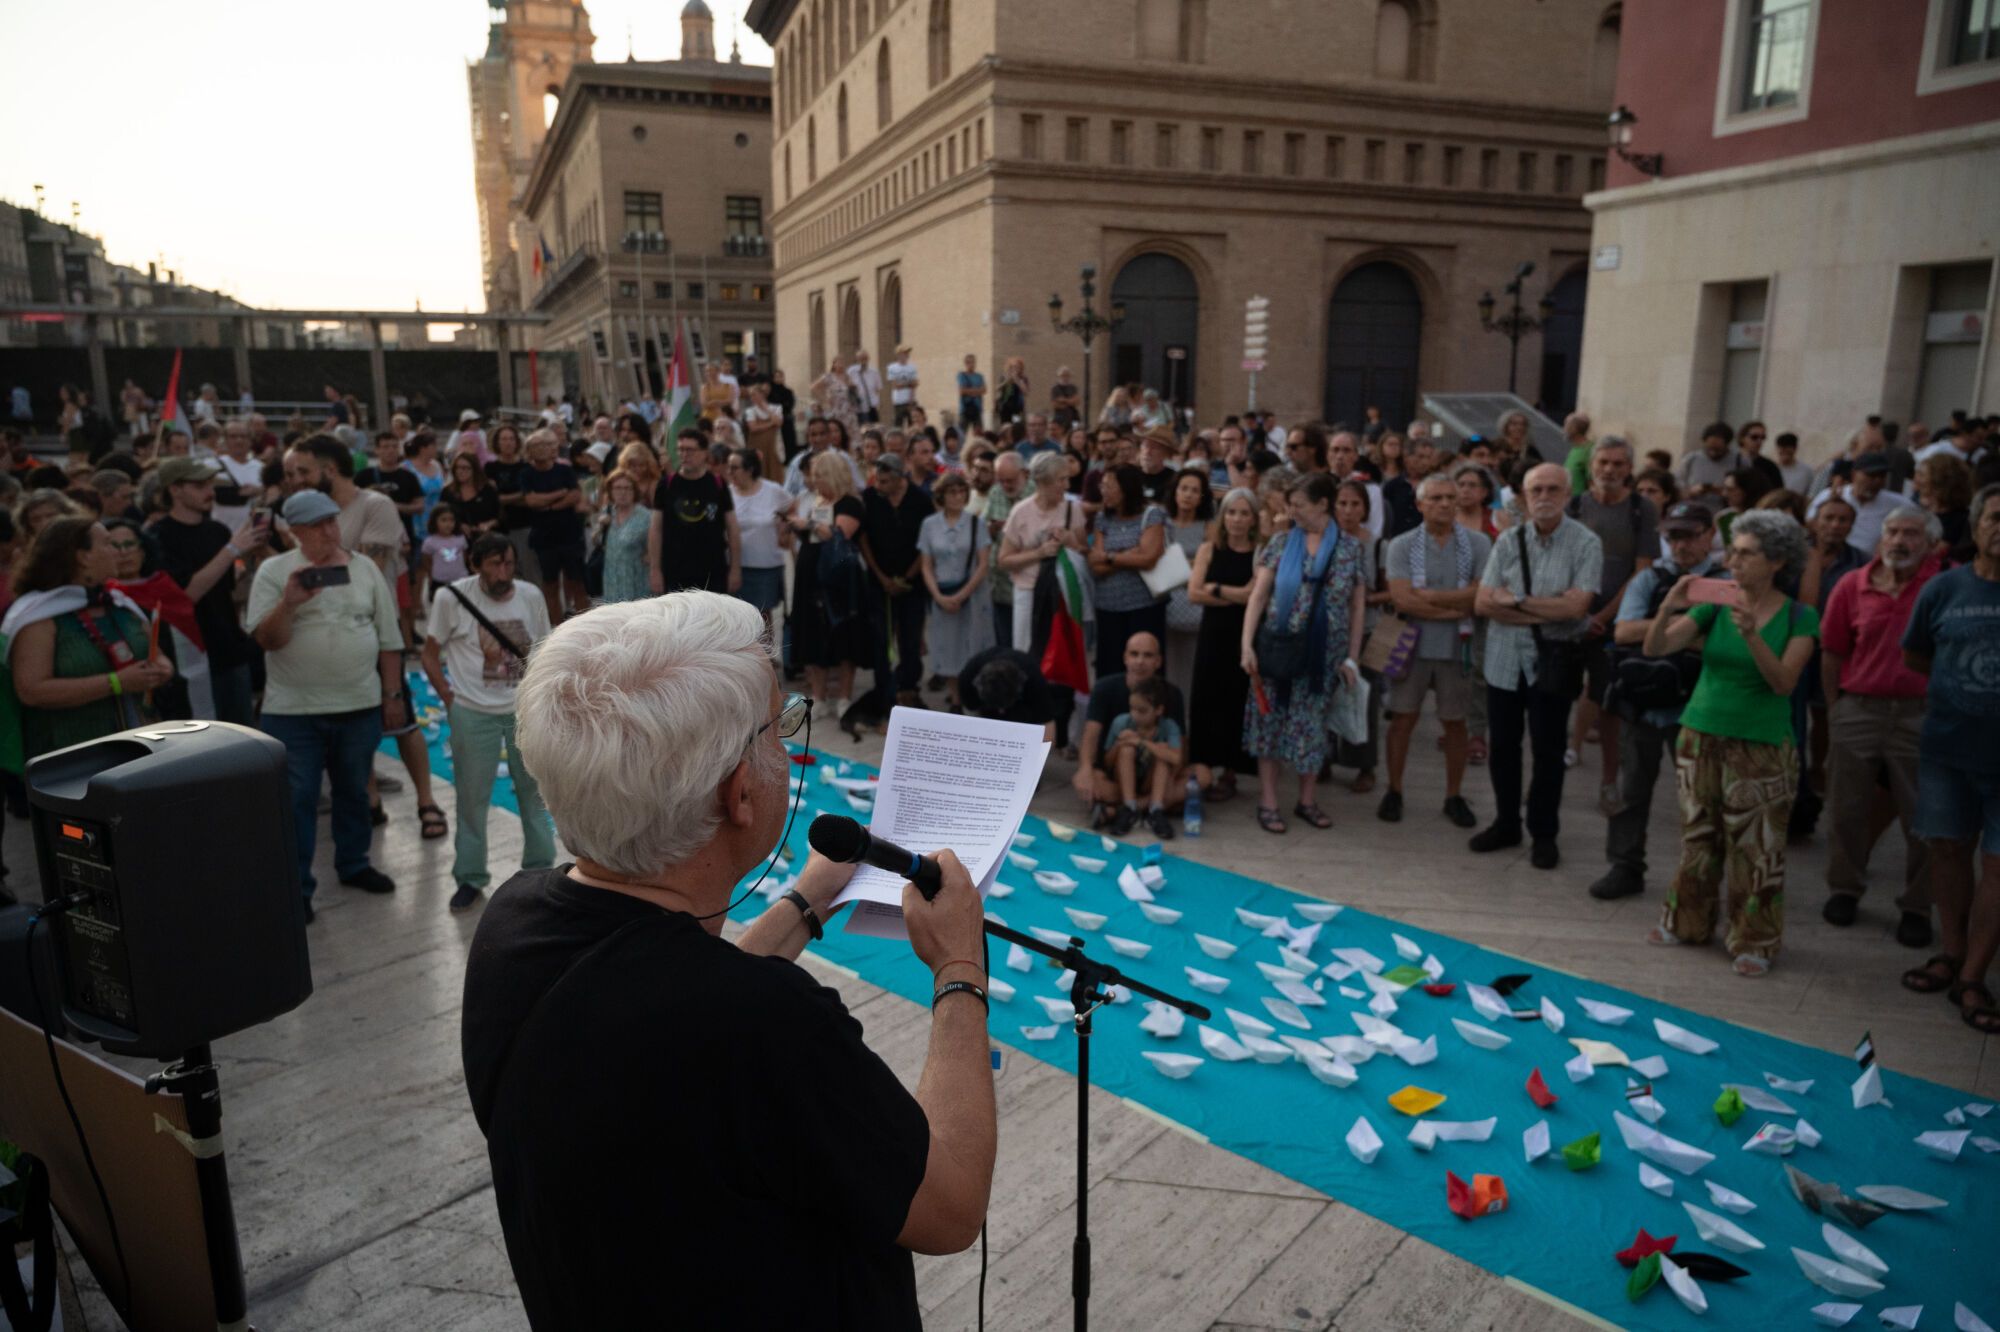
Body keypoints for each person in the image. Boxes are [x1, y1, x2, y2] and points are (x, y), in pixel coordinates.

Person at [462, 593, 995, 1328]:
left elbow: (672, 991)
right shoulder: (764, 1021)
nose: (787, 744)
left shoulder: (513, 921)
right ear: (741, 792)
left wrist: (807, 900)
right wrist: (958, 969)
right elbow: (952, 1205)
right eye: (780, 729)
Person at [1641, 509, 1818, 977]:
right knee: (1698, 836)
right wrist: (1668, 608)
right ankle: (1687, 921)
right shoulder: (1715, 603)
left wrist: (1752, 636)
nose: (1733, 562)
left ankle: (1754, 939)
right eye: (1732, 552)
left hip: (1761, 743)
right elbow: (1656, 649)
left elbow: (1783, 683)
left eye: (1745, 554)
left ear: (1777, 560)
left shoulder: (1801, 616)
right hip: (1699, 734)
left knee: (1757, 848)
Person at [250, 490, 405, 920]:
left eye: (332, 521)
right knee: (297, 799)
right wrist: (290, 603)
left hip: (358, 705)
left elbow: (390, 640)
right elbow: (266, 640)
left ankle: (354, 864)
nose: (329, 531)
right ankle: (298, 887)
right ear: (294, 531)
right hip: (292, 711)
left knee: (354, 790)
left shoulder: (365, 569)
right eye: (318, 525)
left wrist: (392, 696)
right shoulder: (274, 572)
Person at [1898, 483, 2000, 1031]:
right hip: (1946, 750)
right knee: (1946, 853)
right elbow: (1917, 657)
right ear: (1978, 526)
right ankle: (1953, 952)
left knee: (1998, 870)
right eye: (1995, 518)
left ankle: (1975, 977)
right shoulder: (1943, 590)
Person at [1589, 501, 1727, 901]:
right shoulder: (1651, 579)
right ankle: (1625, 865)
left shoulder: (1726, 583)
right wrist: (1689, 622)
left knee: (1701, 798)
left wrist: (1671, 629)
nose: (1681, 545)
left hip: (1702, 706)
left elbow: (1728, 640)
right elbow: (1625, 631)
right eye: (1674, 536)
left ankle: (1701, 877)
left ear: (1709, 536)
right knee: (1632, 790)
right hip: (1646, 702)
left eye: (1690, 535)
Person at [1470, 463, 1603, 869]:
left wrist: (1517, 602)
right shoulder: (1508, 541)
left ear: (1567, 495)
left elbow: (1578, 607)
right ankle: (1507, 822)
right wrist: (1550, 607)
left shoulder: (1585, 543)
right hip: (1504, 661)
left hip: (1554, 664)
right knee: (1503, 749)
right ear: (1524, 497)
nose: (1544, 497)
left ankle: (1544, 833)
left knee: (1549, 751)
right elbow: (1481, 603)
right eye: (1536, 490)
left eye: (1553, 489)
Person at [1819, 505, 1942, 945]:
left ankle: (1916, 906)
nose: (1899, 541)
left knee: (1924, 817)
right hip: (1859, 709)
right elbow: (1832, 652)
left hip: (1920, 713)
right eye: (1892, 532)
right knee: (1846, 809)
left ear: (1929, 543)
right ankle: (1844, 889)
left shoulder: (1942, 586)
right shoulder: (1852, 585)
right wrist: (1836, 710)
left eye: (1911, 533)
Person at [420, 534, 555, 914]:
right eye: (495, 565)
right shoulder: (452, 598)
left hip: (522, 710)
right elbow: (430, 654)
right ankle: (470, 877)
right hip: (472, 711)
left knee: (535, 794)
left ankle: (540, 872)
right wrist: (450, 699)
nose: (503, 573)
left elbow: (546, 651)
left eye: (509, 564)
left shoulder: (529, 595)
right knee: (471, 797)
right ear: (476, 564)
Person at [1239, 474, 1366, 835]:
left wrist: (1352, 656)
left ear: (1323, 504)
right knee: (1271, 723)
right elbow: (1259, 596)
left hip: (1323, 657)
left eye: (1298, 504)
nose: (1290, 511)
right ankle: (1268, 801)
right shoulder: (1280, 543)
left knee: (1312, 727)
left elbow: (1357, 608)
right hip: (1277, 650)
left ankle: (1307, 800)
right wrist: (1246, 644)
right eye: (1290, 503)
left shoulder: (1350, 549)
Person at [4, 518, 172, 771]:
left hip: (139, 745)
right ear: (82, 556)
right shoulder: (39, 617)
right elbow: (31, 690)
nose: (117, 551)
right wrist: (116, 683)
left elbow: (157, 655)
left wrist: (162, 669)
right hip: (73, 757)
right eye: (108, 544)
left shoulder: (117, 602)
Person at [1381, 474, 1491, 828]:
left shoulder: (1477, 543)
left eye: (1450, 498)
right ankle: (1394, 790)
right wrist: (1453, 609)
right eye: (1436, 498)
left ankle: (1453, 795)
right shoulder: (1400, 544)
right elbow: (1401, 598)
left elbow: (1481, 593)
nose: (1445, 504)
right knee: (1402, 719)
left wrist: (1429, 598)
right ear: (1420, 504)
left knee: (1455, 723)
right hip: (1411, 644)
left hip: (1457, 647)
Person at [1567, 436, 1658, 818]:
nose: (1610, 470)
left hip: (1615, 622)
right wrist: (1576, 612)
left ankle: (1608, 784)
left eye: (1618, 464)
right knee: (1554, 700)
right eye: (1603, 462)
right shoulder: (1574, 506)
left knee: (1609, 707)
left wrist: (1602, 618)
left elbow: (1642, 572)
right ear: (1591, 466)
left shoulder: (1642, 509)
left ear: (1629, 469)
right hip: (1570, 617)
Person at [154, 456, 265, 725]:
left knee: (242, 736)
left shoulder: (216, 530)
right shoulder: (158, 536)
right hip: (191, 658)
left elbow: (227, 589)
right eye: (200, 485)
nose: (210, 492)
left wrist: (252, 556)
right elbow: (186, 595)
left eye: (210, 484)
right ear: (175, 489)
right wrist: (232, 550)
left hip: (230, 650)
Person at [1186, 487, 1259, 801]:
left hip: (1243, 635)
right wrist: (1230, 593)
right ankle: (1203, 767)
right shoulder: (1208, 549)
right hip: (1212, 634)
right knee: (1205, 697)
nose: (1237, 519)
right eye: (1231, 512)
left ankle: (1231, 770)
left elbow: (1252, 596)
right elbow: (1193, 593)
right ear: (1222, 515)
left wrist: (1214, 589)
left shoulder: (1259, 551)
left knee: (1237, 700)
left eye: (1244, 513)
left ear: (1253, 518)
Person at [851, 454, 933, 728]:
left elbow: (928, 542)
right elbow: (863, 538)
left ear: (900, 478)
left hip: (912, 582)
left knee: (910, 638)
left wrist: (907, 577)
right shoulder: (871, 498)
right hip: (880, 582)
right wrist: (881, 576)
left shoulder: (921, 500)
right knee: (881, 639)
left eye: (885, 480)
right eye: (877, 479)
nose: (879, 485)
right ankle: (885, 693)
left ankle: (909, 689)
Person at [1072, 632, 1187, 823]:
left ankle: (1121, 810)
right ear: (1125, 658)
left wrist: (1169, 778)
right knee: (1088, 779)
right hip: (1118, 776)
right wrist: (1085, 768)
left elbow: (1181, 749)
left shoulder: (1172, 693)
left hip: (1157, 774)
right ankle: (1152, 806)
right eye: (1134, 654)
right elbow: (1091, 734)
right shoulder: (1104, 688)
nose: (1140, 661)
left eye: (1148, 655)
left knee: (1202, 776)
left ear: (1158, 661)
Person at [787, 450, 869, 720]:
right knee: (812, 634)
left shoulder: (850, 503)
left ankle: (844, 696)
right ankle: (819, 697)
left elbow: (839, 534)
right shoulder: (817, 500)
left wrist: (806, 523)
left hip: (839, 579)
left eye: (820, 476)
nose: (814, 481)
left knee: (843, 635)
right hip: (810, 575)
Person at [916, 471, 994, 711]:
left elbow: (983, 563)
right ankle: (955, 698)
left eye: (962, 492)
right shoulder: (929, 525)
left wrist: (963, 594)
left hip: (971, 595)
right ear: (942, 495)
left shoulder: (975, 523)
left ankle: (975, 695)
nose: (958, 497)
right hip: (942, 592)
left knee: (972, 644)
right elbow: (926, 564)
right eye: (952, 492)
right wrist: (937, 595)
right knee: (948, 647)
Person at [1103, 676, 1196, 839]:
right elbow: (1107, 764)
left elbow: (1176, 759)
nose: (1135, 715)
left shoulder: (1168, 726)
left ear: (1159, 710)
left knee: (1164, 753)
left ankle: (1155, 809)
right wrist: (1120, 744)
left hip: (1153, 782)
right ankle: (1129, 806)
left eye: (1142, 711)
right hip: (1124, 781)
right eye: (1132, 708)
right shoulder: (1121, 722)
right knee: (1126, 750)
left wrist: (1143, 742)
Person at [520, 429, 589, 622]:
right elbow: (531, 501)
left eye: (545, 444)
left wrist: (548, 506)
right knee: (550, 585)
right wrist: (559, 495)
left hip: (570, 536)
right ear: (529, 451)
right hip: (544, 539)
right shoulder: (527, 474)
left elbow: (574, 495)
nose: (542, 449)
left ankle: (585, 622)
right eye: (536, 446)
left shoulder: (565, 470)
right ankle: (556, 626)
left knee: (577, 583)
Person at [1161, 468, 1212, 700]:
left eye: (1194, 490)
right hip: (1165, 601)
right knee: (1167, 665)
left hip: (1195, 605)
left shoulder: (1208, 526)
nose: (1188, 495)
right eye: (1184, 489)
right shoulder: (1161, 522)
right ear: (1175, 491)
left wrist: (1174, 563)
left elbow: (1211, 561)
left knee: (1192, 667)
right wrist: (1192, 563)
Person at [725, 448, 789, 631]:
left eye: (734, 468)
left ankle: (766, 658)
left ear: (750, 469)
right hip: (735, 566)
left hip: (765, 565)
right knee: (738, 619)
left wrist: (785, 529)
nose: (729, 472)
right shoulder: (726, 493)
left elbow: (792, 508)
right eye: (728, 467)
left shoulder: (772, 490)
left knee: (762, 617)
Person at [1810, 452, 1898, 555]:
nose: (1877, 481)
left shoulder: (1897, 504)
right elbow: (1810, 524)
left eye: (1882, 476)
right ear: (1854, 474)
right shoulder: (1827, 496)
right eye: (1871, 475)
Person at [486, 423, 539, 584]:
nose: (508, 442)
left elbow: (530, 498)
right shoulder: (489, 468)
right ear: (497, 442)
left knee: (529, 571)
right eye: (503, 439)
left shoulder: (526, 468)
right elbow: (492, 498)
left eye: (511, 439)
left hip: (525, 525)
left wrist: (505, 498)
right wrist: (519, 496)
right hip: (500, 527)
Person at [596, 470, 653, 604]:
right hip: (612, 578)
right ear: (610, 491)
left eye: (627, 488)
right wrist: (600, 527)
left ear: (635, 491)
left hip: (636, 578)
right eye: (618, 488)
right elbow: (598, 542)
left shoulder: (646, 516)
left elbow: (655, 546)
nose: (623, 492)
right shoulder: (608, 512)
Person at [1676, 421, 1741, 505]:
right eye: (1710, 448)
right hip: (1693, 509)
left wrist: (1722, 491)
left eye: (1718, 449)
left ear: (1727, 444)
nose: (1713, 453)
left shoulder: (1739, 461)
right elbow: (1677, 487)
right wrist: (1691, 491)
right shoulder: (1691, 459)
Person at [418, 505, 469, 608]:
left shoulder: (460, 539)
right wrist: (432, 574)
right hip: (439, 581)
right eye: (443, 520)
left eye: (451, 520)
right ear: (434, 522)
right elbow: (426, 560)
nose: (448, 524)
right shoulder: (430, 542)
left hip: (460, 580)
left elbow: (464, 557)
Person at [445, 451, 502, 536]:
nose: (460, 471)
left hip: (487, 537)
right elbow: (442, 516)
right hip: (457, 539)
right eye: (457, 468)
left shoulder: (487, 490)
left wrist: (489, 524)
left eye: (465, 468)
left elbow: (500, 516)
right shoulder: (448, 492)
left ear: (474, 469)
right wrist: (458, 525)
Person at [741, 381, 785, 482]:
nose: (752, 398)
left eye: (754, 394)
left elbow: (778, 423)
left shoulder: (776, 408)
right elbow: (753, 428)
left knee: (774, 471)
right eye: (751, 395)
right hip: (757, 444)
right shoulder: (750, 411)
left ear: (762, 394)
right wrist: (771, 424)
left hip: (773, 444)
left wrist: (766, 408)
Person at [885, 344, 921, 427]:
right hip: (898, 400)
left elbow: (915, 384)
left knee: (912, 424)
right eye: (904, 353)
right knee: (898, 424)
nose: (907, 355)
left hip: (910, 400)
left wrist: (911, 399)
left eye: (907, 353)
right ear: (899, 354)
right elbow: (895, 385)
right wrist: (909, 384)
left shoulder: (912, 367)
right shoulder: (892, 368)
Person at [1560, 412, 1594, 496]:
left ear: (1574, 428)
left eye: (1566, 425)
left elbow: (1592, 482)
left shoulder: (1590, 450)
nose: (1563, 429)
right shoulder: (1575, 449)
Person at [847, 349, 885, 425]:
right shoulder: (851, 371)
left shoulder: (874, 372)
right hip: (858, 406)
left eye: (864, 358)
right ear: (857, 359)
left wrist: (879, 402)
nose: (863, 361)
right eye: (860, 358)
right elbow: (848, 387)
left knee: (874, 426)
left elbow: (879, 388)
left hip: (872, 405)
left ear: (868, 359)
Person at [955, 354, 986, 430]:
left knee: (979, 433)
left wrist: (969, 390)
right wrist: (977, 391)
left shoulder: (979, 376)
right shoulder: (962, 375)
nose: (971, 364)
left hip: (977, 409)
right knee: (961, 434)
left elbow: (984, 390)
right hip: (965, 409)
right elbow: (962, 391)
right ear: (965, 363)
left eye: (973, 362)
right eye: (969, 362)